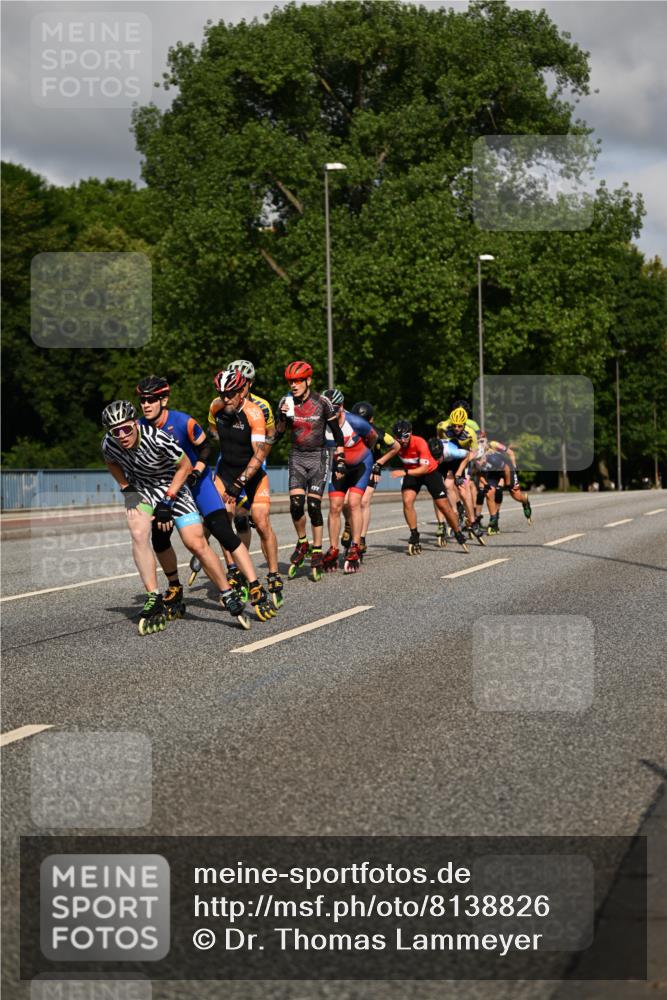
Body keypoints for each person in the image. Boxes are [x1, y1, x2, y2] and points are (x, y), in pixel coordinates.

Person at [101, 400, 250, 633]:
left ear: (135, 424)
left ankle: (227, 592)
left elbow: (185, 466)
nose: (121, 435)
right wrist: (126, 488)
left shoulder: (157, 438)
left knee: (195, 542)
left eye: (126, 429)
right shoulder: (110, 444)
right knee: (138, 532)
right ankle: (154, 596)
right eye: (115, 431)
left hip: (173, 485)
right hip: (142, 488)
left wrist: (168, 500)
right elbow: (111, 463)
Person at [136, 375, 275, 622]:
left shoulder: (183, 422)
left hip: (197, 483)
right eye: (142, 400)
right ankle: (175, 588)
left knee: (223, 530)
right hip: (168, 488)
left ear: (164, 400)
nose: (145, 405)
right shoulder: (139, 428)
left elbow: (205, 448)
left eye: (150, 400)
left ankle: (255, 585)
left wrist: (199, 469)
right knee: (159, 535)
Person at [207, 368, 285, 607]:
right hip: (226, 470)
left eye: (230, 393)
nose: (225, 398)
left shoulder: (254, 413)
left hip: (251, 474)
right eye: (221, 393)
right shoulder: (216, 407)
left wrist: (238, 484)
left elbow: (259, 455)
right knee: (223, 521)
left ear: (241, 391)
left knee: (261, 522)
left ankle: (273, 574)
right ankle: (233, 570)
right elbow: (212, 432)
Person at [274, 360, 345, 581]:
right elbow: (278, 435)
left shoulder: (322, 403)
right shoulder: (286, 402)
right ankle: (303, 542)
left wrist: (340, 460)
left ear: (308, 381)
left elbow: (337, 433)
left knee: (313, 506)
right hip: (297, 456)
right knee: (296, 505)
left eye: (297, 381)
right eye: (290, 381)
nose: (293, 385)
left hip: (319, 457)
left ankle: (316, 548)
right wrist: (282, 418)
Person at [389, 420, 469, 554]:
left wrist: (404, 472)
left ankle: (457, 532)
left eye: (405, 436)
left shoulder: (419, 442)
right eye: (398, 437)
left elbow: (424, 468)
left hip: (429, 472)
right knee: (407, 501)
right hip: (412, 473)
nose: (402, 440)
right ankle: (414, 535)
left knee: (444, 506)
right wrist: (377, 465)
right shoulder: (395, 444)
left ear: (411, 433)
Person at [321, 388, 378, 574]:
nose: (331, 413)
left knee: (354, 503)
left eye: (335, 409)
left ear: (342, 407)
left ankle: (355, 546)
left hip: (361, 464)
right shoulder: (322, 425)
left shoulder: (355, 422)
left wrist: (365, 452)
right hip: (340, 467)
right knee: (335, 506)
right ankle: (333, 547)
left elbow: (373, 437)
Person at [339, 401, 400, 559]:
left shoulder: (379, 433)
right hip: (351, 467)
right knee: (345, 503)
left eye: (364, 422)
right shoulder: (345, 428)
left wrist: (379, 463)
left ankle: (362, 539)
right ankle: (348, 524)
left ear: (371, 421)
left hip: (370, 469)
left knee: (364, 502)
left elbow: (397, 447)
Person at [474, 432, 532, 533]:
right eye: (478, 441)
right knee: (489, 493)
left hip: (506, 469)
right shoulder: (476, 457)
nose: (481, 443)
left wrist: (512, 472)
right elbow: (479, 474)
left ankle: (525, 501)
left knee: (516, 495)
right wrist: (486, 484)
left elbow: (509, 458)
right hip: (493, 473)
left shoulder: (493, 447)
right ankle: (493, 520)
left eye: (482, 440)